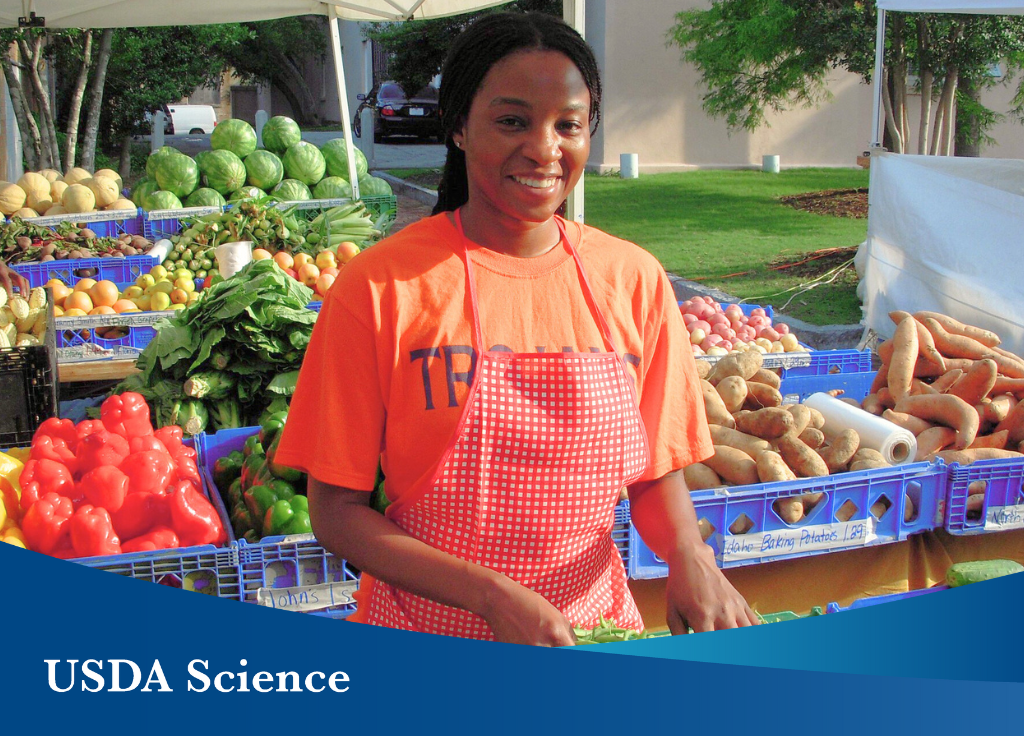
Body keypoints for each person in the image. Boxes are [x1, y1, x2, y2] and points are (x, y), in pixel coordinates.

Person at [275, 11, 757, 645]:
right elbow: (336, 513)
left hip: (591, 632)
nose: (544, 148)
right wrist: (489, 595)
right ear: (458, 127)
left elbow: (654, 470)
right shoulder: (381, 287)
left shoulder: (633, 279)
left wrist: (690, 557)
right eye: (512, 121)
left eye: (569, 125)